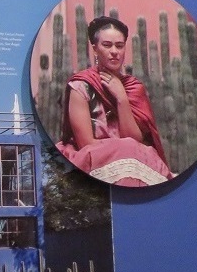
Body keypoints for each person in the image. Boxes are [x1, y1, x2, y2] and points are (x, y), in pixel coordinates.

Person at [58, 15, 174, 187]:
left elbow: (134, 139)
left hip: (130, 156)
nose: (114, 51)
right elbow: (85, 143)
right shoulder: (81, 85)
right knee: (129, 149)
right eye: (107, 45)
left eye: (119, 46)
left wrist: (121, 98)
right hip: (92, 156)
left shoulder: (134, 88)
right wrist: (122, 147)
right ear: (95, 48)